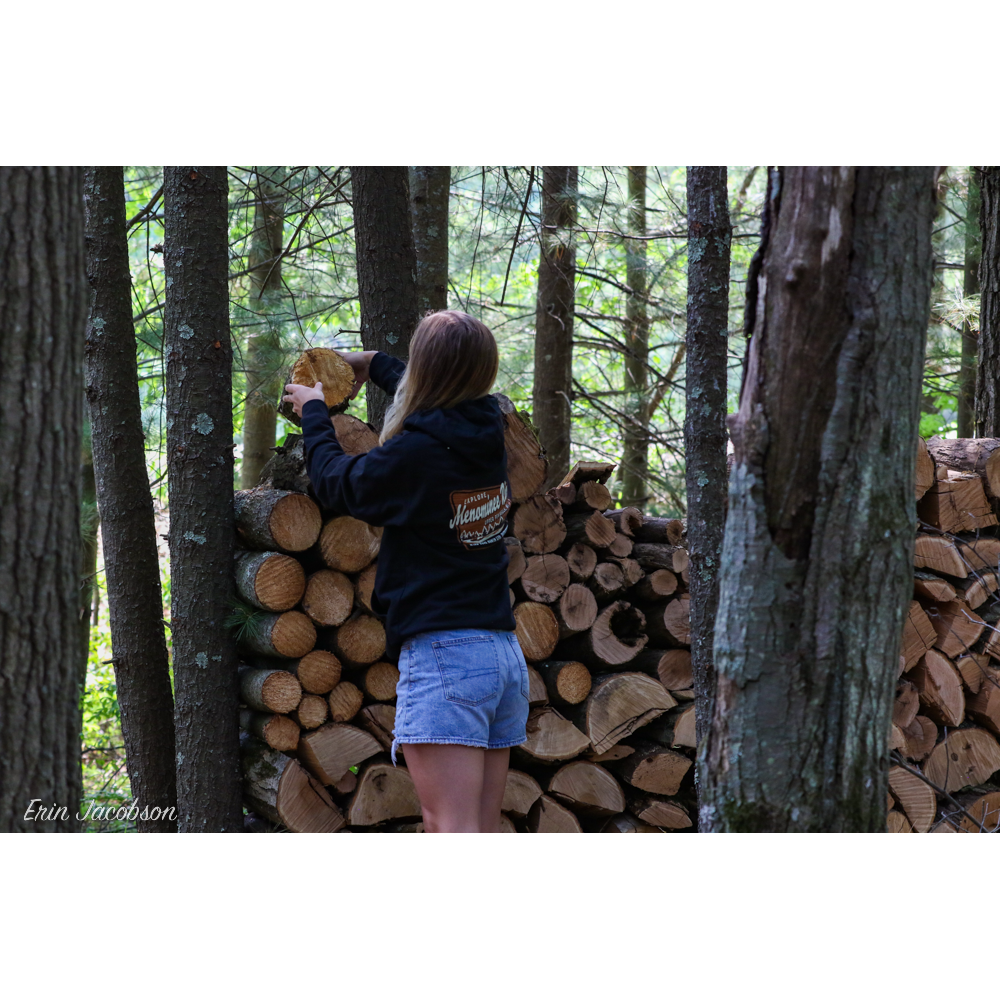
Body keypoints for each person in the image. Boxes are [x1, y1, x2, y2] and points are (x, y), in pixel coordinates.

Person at [282, 310, 529, 833]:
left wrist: (315, 413)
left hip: (448, 659)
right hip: (501, 655)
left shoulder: (417, 455)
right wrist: (372, 364)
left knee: (450, 828)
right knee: (479, 829)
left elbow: (338, 482)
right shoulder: (487, 426)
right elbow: (434, 389)